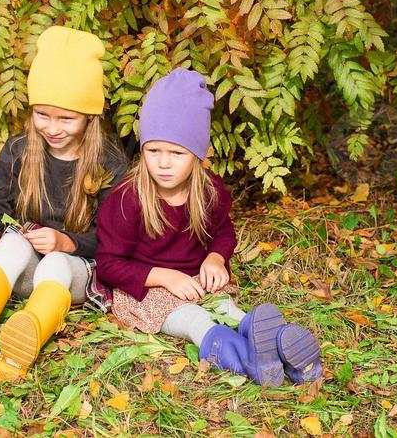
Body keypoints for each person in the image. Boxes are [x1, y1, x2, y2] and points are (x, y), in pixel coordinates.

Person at [95, 68, 323, 386]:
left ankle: (286, 351)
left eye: (177, 153)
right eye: (153, 150)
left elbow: (224, 232)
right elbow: (107, 265)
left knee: (227, 309)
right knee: (195, 319)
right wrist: (164, 277)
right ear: (142, 148)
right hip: (146, 290)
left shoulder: (208, 190)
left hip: (196, 281)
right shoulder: (127, 198)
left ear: (198, 154)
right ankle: (251, 364)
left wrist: (215, 258)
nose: (163, 163)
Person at [0, 25, 129, 380]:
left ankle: (21, 349)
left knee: (57, 263)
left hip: (75, 275)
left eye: (66, 118)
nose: (52, 128)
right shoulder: (20, 149)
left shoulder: (108, 162)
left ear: (90, 117)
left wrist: (67, 242)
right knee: (13, 240)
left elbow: (115, 241)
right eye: (43, 115)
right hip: (21, 274)